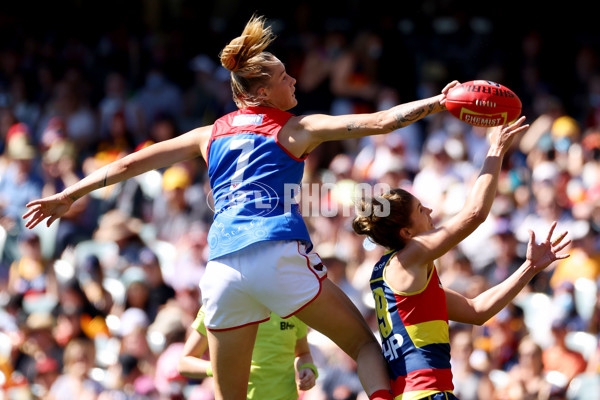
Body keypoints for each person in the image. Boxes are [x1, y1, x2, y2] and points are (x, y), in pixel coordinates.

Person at [22, 14, 460, 400]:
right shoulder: (297, 128)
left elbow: (135, 161)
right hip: (277, 254)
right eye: (285, 76)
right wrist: (440, 102)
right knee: (365, 346)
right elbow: (381, 122)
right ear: (264, 90)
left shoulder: (208, 134)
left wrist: (68, 194)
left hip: (222, 271)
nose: (294, 81)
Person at [352, 117, 572, 399]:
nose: (430, 211)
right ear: (406, 232)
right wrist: (496, 150)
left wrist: (528, 268)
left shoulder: (390, 271)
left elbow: (477, 310)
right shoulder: (412, 256)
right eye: (421, 210)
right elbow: (476, 213)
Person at [178, 306, 317, 399]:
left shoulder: (291, 306)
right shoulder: (219, 303)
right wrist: (217, 369)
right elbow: (185, 362)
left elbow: (303, 354)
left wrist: (307, 368)